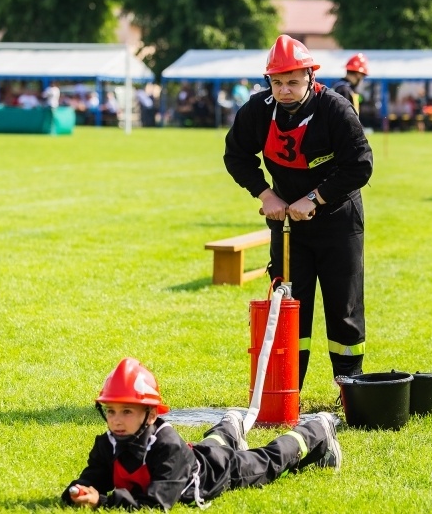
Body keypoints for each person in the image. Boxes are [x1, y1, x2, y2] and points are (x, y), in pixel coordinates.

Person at [223, 35, 373, 390]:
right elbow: (236, 156)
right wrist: (266, 194)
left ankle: (348, 386)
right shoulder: (257, 110)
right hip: (289, 226)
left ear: (310, 77)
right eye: (277, 82)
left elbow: (360, 165)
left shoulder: (335, 109)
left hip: (339, 220)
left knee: (343, 305)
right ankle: (288, 389)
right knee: (290, 304)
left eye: (293, 81)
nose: (285, 90)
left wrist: (316, 198)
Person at [62, 357, 341, 510]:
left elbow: (157, 503)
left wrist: (103, 502)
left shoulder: (166, 445)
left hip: (218, 472)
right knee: (214, 444)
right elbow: (93, 478)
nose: (117, 421)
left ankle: (318, 429)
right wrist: (77, 491)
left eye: (127, 411)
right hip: (197, 455)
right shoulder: (107, 444)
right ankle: (230, 424)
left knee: (270, 460)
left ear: (151, 414)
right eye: (111, 411)